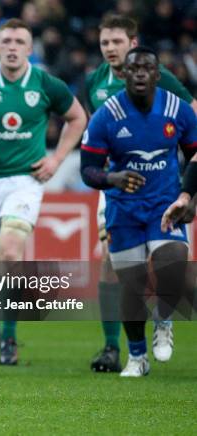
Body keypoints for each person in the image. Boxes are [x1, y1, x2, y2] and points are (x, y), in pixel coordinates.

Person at [0, 18, 87, 365]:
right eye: (6, 41)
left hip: (26, 181)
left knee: (11, 253)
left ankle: (9, 341)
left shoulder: (44, 83)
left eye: (19, 41)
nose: (12, 47)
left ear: (29, 48)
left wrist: (57, 159)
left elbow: (77, 118)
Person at [84, 14, 197, 372]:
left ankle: (163, 321)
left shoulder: (177, 107)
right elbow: (88, 168)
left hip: (164, 202)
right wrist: (113, 179)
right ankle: (135, 355)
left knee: (173, 267)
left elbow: (195, 152)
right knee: (128, 281)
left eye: (147, 68)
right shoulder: (105, 113)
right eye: (134, 70)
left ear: (156, 72)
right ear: (126, 75)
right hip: (122, 206)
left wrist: (188, 195)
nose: (140, 74)